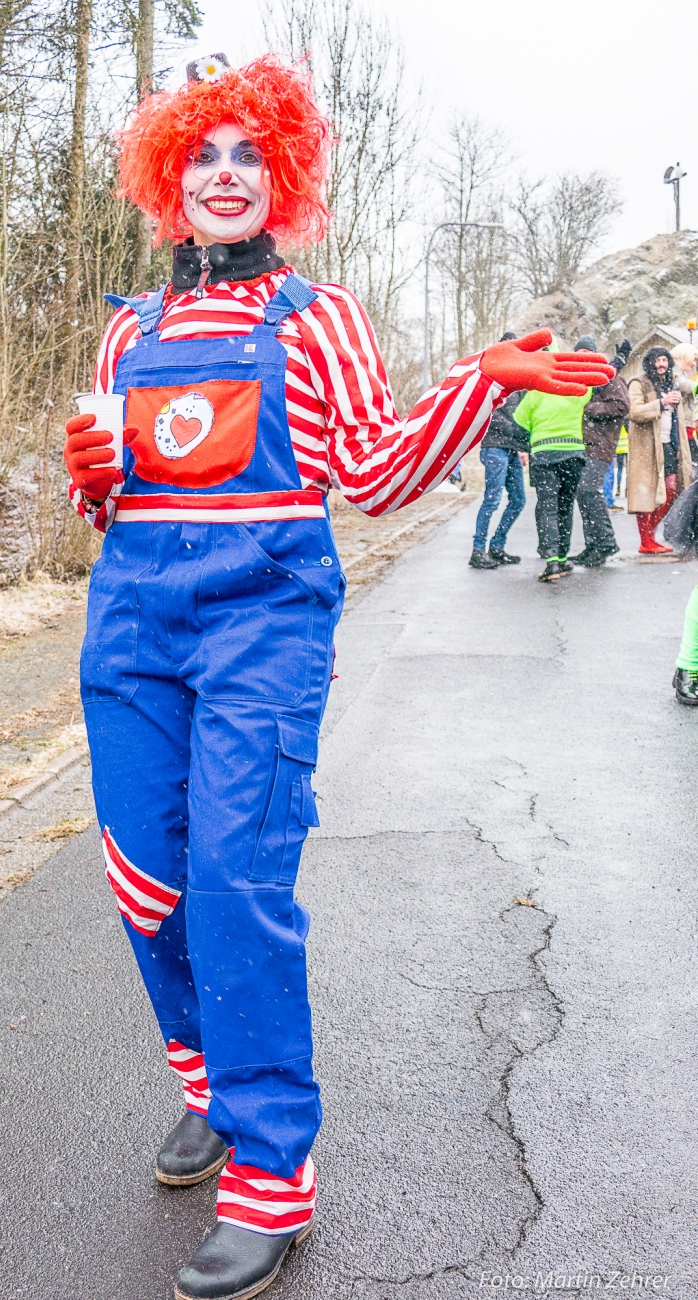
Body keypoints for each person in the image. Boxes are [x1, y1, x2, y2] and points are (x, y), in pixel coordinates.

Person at [61, 53, 611, 1300]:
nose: (223, 173)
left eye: (250, 151)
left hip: (263, 623)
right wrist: (91, 469)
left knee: (233, 879)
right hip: (132, 622)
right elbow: (105, 502)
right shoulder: (128, 326)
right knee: (145, 880)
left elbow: (369, 476)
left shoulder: (319, 318)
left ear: (286, 175)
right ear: (168, 178)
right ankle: (206, 1080)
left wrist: (481, 381)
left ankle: (272, 1169)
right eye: (201, 152)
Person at [513, 360, 590, 582]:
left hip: (544, 454)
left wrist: (536, 432)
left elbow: (519, 419)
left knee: (548, 509)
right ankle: (563, 557)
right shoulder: (575, 390)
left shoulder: (536, 393)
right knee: (566, 506)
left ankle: (552, 561)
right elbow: (596, 383)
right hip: (573, 454)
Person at [468, 331, 528, 569]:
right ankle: (478, 550)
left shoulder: (520, 380)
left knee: (519, 500)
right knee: (492, 499)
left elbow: (523, 416)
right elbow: (486, 413)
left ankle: (497, 547)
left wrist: (523, 447)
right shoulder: (489, 375)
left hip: (512, 449)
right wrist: (514, 430)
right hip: (493, 446)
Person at [571, 336, 630, 566]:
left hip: (601, 445)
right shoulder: (581, 380)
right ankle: (592, 545)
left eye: (587, 351)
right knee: (583, 494)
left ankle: (606, 542)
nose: (582, 355)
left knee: (588, 491)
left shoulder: (610, 378)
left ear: (595, 354)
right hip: (580, 445)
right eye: (579, 351)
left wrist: (588, 408)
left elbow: (621, 406)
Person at [627, 347, 692, 554]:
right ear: (649, 362)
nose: (661, 364)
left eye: (664, 359)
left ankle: (651, 535)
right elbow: (634, 412)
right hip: (647, 447)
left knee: (671, 490)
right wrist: (661, 403)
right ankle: (645, 541)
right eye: (657, 360)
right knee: (645, 494)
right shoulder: (639, 383)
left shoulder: (671, 383)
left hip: (670, 445)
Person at [671, 342, 698, 471]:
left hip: (687, 423)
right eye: (694, 359)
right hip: (683, 423)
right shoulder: (674, 371)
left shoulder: (683, 373)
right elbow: (682, 385)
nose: (694, 364)